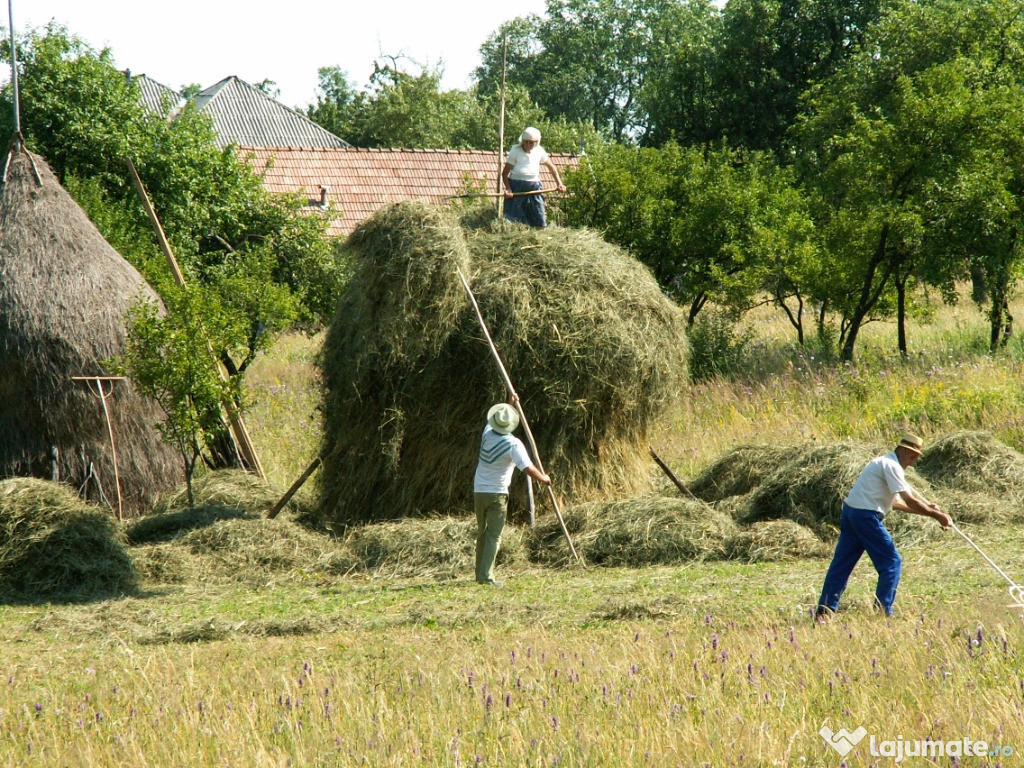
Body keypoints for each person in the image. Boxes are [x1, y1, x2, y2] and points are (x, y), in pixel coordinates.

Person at [816, 433, 951, 620]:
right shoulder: (892, 466)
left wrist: (926, 510)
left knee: (842, 565)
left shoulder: (883, 463)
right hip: (866, 516)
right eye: (912, 457)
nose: (912, 462)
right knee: (891, 562)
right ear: (904, 450)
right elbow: (909, 500)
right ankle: (882, 611)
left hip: (851, 513)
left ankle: (825, 612)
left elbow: (894, 503)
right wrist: (937, 515)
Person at [473, 394, 551, 586]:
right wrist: (544, 479)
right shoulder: (513, 444)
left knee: (483, 532)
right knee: (494, 535)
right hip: (497, 493)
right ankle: (486, 577)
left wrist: (509, 403)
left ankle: (480, 573)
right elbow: (527, 468)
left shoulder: (487, 432)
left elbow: (499, 420)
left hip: (479, 490)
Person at [502, 127, 567, 228]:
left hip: (535, 187)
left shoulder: (539, 151)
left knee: (538, 217)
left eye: (531, 142)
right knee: (515, 220)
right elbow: (504, 173)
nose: (528, 145)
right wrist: (508, 188)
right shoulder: (515, 151)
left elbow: (552, 168)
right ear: (522, 141)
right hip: (516, 187)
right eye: (526, 142)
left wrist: (559, 184)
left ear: (537, 142)